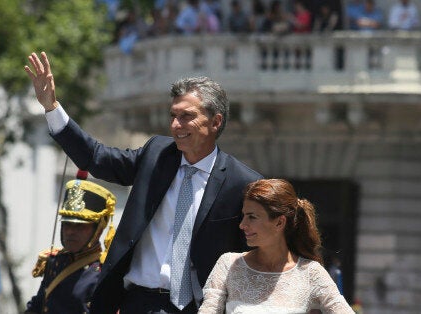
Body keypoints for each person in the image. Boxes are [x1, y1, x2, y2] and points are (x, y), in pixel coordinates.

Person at [25, 51, 262, 313]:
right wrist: (51, 107)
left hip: (200, 307)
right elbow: (96, 157)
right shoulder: (156, 154)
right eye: (173, 115)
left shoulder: (242, 183)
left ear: (215, 121)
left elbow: (255, 255)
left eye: (186, 116)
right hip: (138, 303)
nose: (175, 124)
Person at [198, 179, 354, 313]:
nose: (242, 225)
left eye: (252, 217)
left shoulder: (310, 272)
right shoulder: (228, 264)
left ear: (279, 222)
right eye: (244, 216)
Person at [25, 170, 117, 314]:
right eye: (67, 224)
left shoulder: (105, 272)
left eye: (80, 226)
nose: (70, 232)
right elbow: (36, 307)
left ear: (98, 229)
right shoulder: (55, 262)